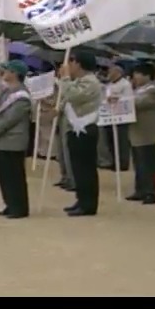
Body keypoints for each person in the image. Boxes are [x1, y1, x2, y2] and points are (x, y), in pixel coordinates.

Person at [60, 51, 103, 217]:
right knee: (77, 168)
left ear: (79, 64)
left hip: (86, 128)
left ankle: (88, 204)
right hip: (74, 128)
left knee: (86, 168)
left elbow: (73, 96)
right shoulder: (77, 81)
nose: (69, 66)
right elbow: (66, 100)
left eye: (72, 62)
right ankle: (81, 199)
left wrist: (65, 79)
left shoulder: (91, 82)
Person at [0, 60, 32, 219]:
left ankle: (19, 207)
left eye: (7, 70)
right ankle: (10, 204)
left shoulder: (22, 95)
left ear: (15, 73)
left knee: (15, 176)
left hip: (14, 140)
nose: (4, 73)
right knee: (4, 175)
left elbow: (12, 118)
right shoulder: (6, 91)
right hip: (2, 139)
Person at [127, 62, 155, 204]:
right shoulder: (138, 90)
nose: (135, 77)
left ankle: (152, 192)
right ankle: (140, 189)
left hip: (148, 134)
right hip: (137, 133)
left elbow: (138, 103)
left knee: (150, 164)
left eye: (139, 74)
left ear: (148, 76)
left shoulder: (153, 91)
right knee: (139, 164)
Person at [105, 63, 133, 172]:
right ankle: (114, 161)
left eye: (111, 72)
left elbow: (127, 99)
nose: (109, 74)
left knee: (122, 141)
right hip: (109, 115)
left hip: (122, 117)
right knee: (111, 141)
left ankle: (123, 163)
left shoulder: (125, 84)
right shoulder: (109, 85)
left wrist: (115, 98)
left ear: (118, 73)